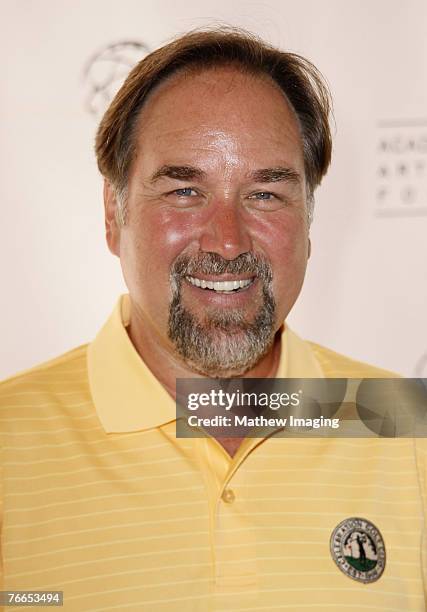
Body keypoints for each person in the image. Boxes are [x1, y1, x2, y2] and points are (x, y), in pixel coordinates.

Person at [0, 27, 425, 612]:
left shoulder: (410, 436)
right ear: (112, 212)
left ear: (308, 222)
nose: (227, 242)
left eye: (266, 195)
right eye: (183, 191)